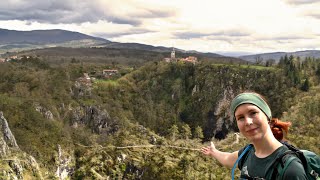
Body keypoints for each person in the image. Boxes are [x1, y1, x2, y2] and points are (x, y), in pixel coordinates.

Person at [201, 92, 307, 179]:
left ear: (267, 117)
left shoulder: (290, 169)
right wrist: (213, 152)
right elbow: (228, 159)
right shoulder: (247, 153)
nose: (248, 122)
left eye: (253, 113)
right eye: (240, 117)